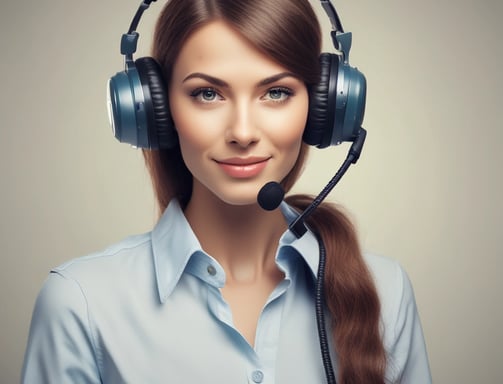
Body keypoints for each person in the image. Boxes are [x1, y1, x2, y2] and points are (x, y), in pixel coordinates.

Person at [22, 0, 431, 383]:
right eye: (207, 94)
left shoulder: (386, 290)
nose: (242, 132)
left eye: (276, 92)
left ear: (324, 107)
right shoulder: (81, 303)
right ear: (153, 107)